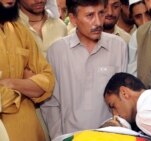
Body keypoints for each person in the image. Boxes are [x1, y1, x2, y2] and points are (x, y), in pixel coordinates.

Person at [40, 0, 128, 139]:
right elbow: (51, 104)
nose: (98, 22)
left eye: (101, 13)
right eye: (90, 15)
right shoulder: (57, 51)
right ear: (73, 18)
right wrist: (60, 137)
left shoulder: (118, 47)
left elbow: (125, 99)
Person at [0, 0, 55, 141]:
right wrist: (26, 87)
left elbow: (47, 80)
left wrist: (11, 83)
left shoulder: (18, 29)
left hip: (32, 132)